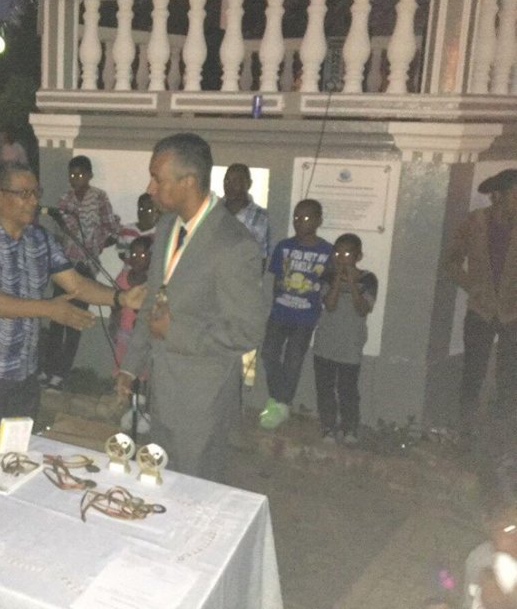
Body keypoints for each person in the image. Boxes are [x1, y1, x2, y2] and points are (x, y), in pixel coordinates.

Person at [114, 133, 265, 482]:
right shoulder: (168, 227)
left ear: (189, 182)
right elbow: (152, 301)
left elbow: (247, 331)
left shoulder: (233, 244)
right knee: (160, 482)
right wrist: (131, 367)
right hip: (162, 389)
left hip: (202, 402)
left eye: (158, 178)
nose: (150, 188)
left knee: (194, 491)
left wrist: (175, 331)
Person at [0, 162, 145, 425]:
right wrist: (50, 309)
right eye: (24, 194)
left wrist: (120, 298)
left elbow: (75, 283)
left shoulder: (39, 238)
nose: (33, 201)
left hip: (26, 370)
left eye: (36, 193)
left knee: (18, 451)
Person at [443, 168, 516, 441]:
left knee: (510, 375)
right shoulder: (474, 223)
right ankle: (466, 429)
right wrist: (472, 286)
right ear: (497, 196)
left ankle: (502, 432)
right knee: (473, 372)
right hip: (480, 310)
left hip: (512, 313)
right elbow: (450, 262)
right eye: (515, 195)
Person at [40, 155, 121, 389]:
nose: (76, 179)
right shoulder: (64, 199)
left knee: (75, 321)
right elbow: (59, 231)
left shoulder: (99, 198)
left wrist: (98, 244)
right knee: (57, 318)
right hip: (65, 267)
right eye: (72, 175)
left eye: (80, 174)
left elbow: (111, 225)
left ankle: (61, 374)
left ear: (89, 175)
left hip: (86, 267)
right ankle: (48, 369)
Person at [258, 199, 332, 431]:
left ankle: (281, 403)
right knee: (269, 353)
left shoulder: (327, 251)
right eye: (297, 218)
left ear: (319, 221)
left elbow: (328, 284)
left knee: (293, 358)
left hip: (305, 317)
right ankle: (278, 399)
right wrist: (275, 304)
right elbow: (277, 280)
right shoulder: (284, 246)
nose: (300, 222)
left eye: (307, 218)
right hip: (280, 312)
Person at [312, 233, 377, 444]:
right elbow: (329, 305)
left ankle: (350, 428)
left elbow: (362, 309)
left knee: (347, 388)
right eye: (337, 252)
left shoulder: (368, 279)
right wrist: (338, 281)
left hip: (350, 344)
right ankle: (328, 427)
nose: (341, 257)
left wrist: (351, 280)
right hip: (326, 342)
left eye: (347, 253)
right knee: (325, 388)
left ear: (358, 256)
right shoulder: (327, 276)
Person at [110, 235, 152, 374]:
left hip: (145, 334)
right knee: (121, 365)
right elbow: (114, 304)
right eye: (134, 254)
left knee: (143, 369)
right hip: (124, 331)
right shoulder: (124, 277)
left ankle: (140, 393)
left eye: (142, 254)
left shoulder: (153, 281)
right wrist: (114, 324)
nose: (137, 258)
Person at [223, 162, 270, 274]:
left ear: (248, 184)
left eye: (236, 181)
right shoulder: (213, 210)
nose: (230, 186)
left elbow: (261, 257)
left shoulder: (260, 217)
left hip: (242, 281)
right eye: (227, 180)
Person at [115, 193, 160, 261]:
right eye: (141, 208)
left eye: (149, 210)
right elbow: (121, 253)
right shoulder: (126, 230)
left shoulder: (159, 233)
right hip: (130, 269)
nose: (144, 213)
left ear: (157, 212)